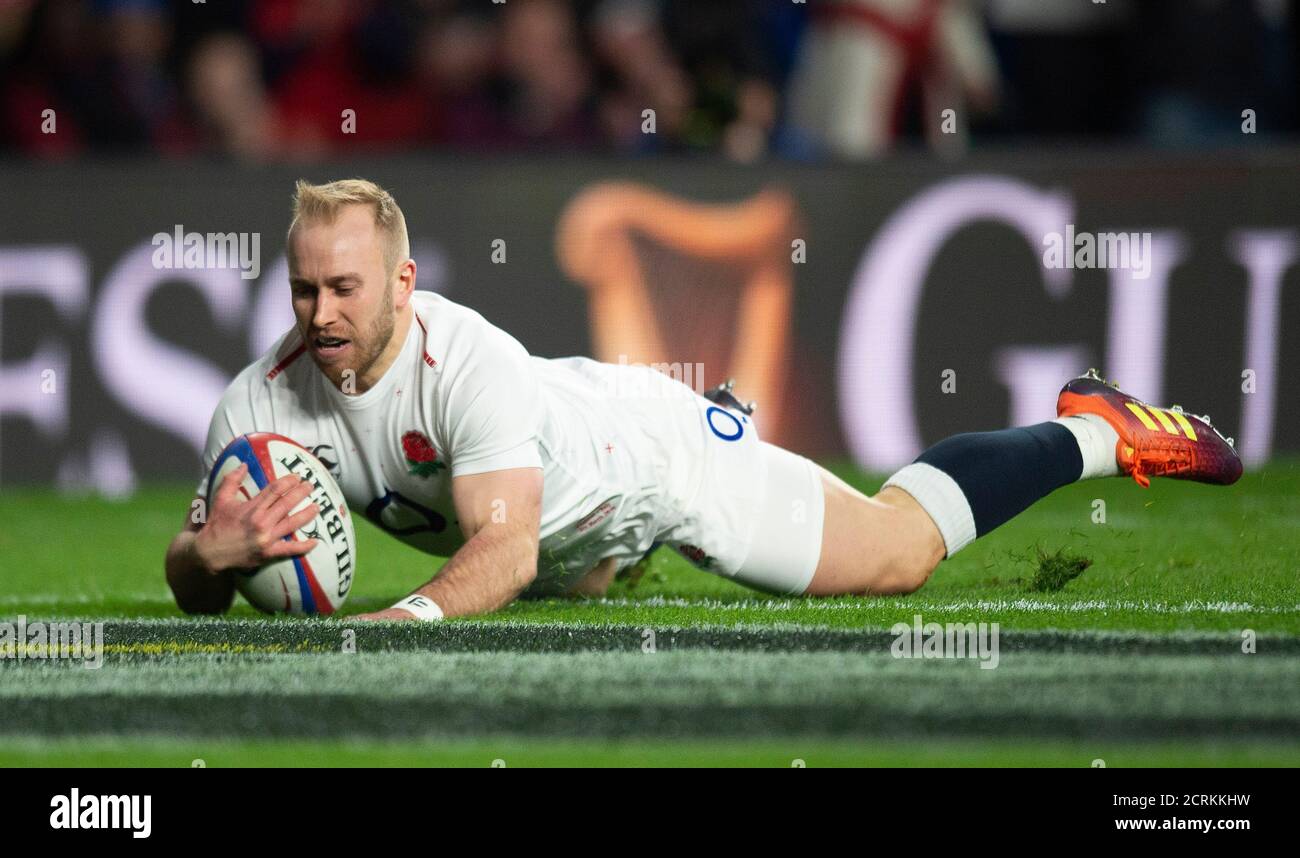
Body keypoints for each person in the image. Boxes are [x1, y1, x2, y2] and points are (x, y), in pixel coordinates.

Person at [164, 178, 1242, 620]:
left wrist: (396, 624)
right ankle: (618, 555)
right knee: (580, 587)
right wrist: (208, 558)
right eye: (303, 287)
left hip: (657, 459)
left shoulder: (466, 362)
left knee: (897, 555)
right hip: (570, 507)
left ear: (402, 284)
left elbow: (502, 550)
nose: (319, 311)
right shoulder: (255, 409)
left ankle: (1089, 430)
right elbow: (192, 572)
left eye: (344, 287)